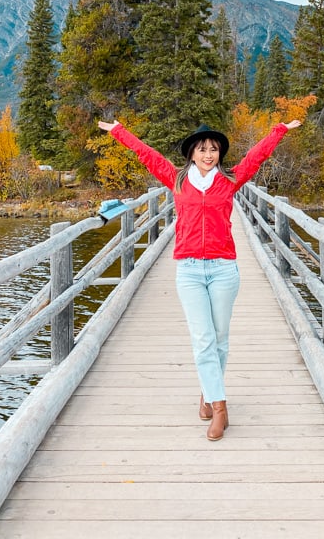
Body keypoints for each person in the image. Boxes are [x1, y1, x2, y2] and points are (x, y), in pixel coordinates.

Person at [98, 117, 302, 441]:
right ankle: (220, 409)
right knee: (204, 340)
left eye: (214, 149)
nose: (209, 155)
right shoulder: (177, 180)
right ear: (192, 152)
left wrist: (278, 130)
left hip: (223, 268)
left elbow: (257, 157)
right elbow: (147, 155)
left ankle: (208, 394)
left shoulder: (230, 180)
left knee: (220, 340)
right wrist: (119, 132)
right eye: (203, 149)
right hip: (190, 270)